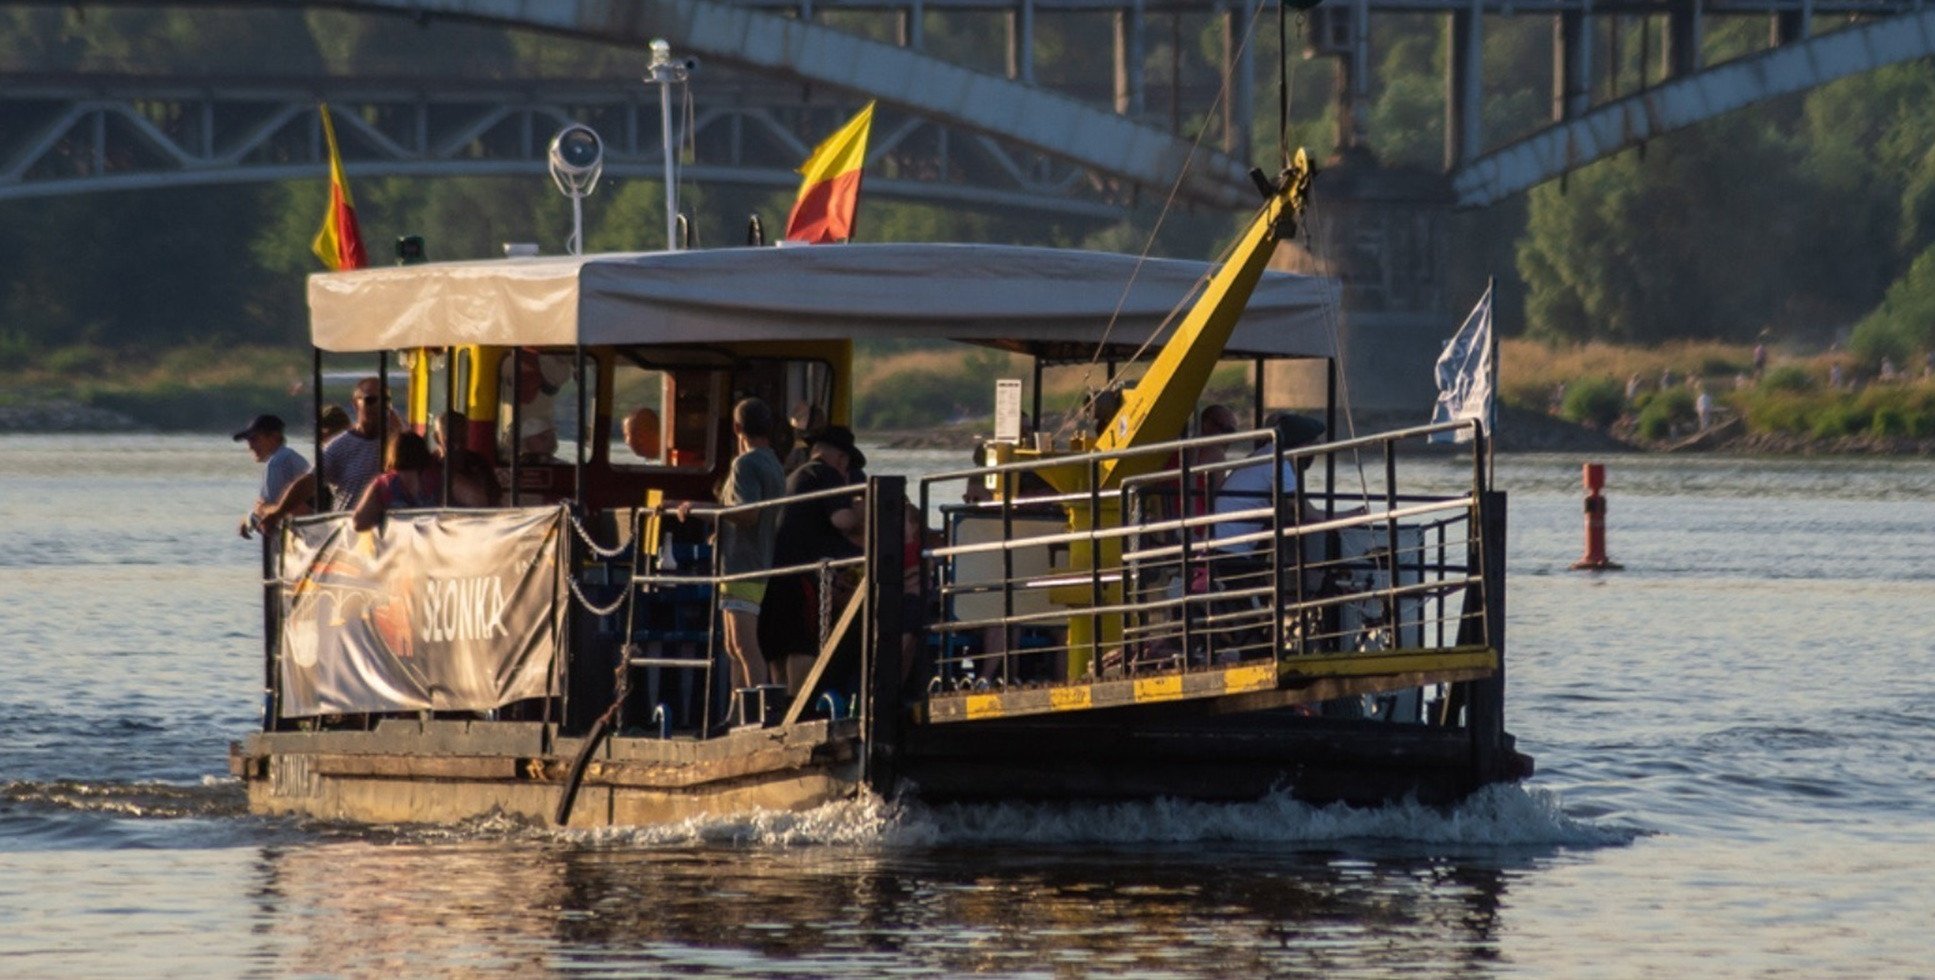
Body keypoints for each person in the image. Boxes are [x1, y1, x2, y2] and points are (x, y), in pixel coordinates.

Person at [673, 398, 786, 695]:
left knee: (744, 647)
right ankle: (738, 715)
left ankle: (760, 716)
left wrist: (698, 508)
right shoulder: (773, 462)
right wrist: (721, 525)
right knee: (732, 648)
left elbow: (748, 512)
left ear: (737, 428)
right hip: (752, 561)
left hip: (741, 565)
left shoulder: (745, 464)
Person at [760, 425, 866, 694]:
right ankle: (800, 706)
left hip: (776, 571)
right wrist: (863, 510)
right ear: (842, 459)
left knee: (779, 646)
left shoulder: (795, 476)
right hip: (801, 573)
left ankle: (779, 709)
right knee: (801, 644)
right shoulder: (826, 473)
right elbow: (841, 519)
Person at [272, 377, 387, 518]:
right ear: (356, 404)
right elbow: (310, 481)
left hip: (391, 533)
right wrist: (278, 512)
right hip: (349, 530)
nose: (378, 406)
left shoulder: (397, 440)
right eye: (370, 400)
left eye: (385, 400)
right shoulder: (340, 446)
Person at [234, 414, 310, 539]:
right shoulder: (290, 456)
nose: (250, 446)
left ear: (274, 437)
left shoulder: (277, 462)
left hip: (303, 538)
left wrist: (250, 519)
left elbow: (272, 512)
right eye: (248, 441)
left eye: (254, 439)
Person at [352, 432, 438, 532]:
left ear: (392, 453)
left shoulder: (383, 484)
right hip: (434, 543)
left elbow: (359, 523)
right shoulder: (438, 478)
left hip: (398, 544)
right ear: (423, 451)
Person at [433, 411, 503, 507]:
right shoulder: (430, 465)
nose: (457, 445)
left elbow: (494, 500)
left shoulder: (479, 463)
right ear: (436, 438)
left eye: (462, 439)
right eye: (450, 440)